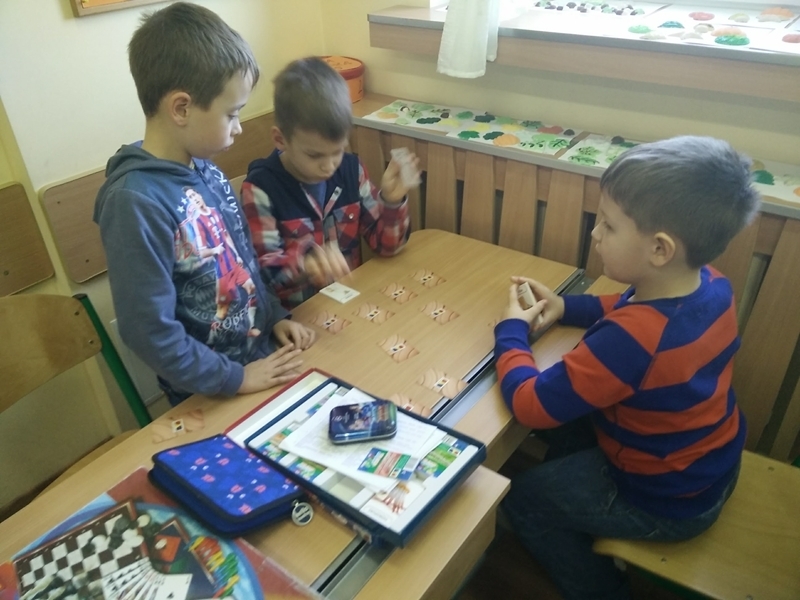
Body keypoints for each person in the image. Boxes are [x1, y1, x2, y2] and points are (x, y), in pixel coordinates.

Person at [493, 136, 761, 600]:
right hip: (710, 466)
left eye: (609, 225)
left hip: (663, 499)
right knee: (574, 423)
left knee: (524, 499)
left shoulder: (630, 342)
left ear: (659, 249)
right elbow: (629, 303)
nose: (595, 234)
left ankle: (604, 590)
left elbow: (530, 405)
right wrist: (567, 306)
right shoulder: (712, 284)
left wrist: (510, 331)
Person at [94, 2, 316, 407]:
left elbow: (243, 264)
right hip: (208, 390)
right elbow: (148, 332)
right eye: (232, 114)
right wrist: (235, 378)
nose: (239, 127)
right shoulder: (134, 203)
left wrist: (273, 317)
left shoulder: (206, 170)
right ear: (181, 108)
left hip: (258, 361)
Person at [241, 57, 418, 309]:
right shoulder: (260, 189)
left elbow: (387, 247)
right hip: (295, 319)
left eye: (337, 151)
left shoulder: (351, 170)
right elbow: (261, 276)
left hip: (349, 307)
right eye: (315, 155)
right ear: (280, 139)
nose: (329, 165)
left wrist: (391, 201)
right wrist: (304, 264)